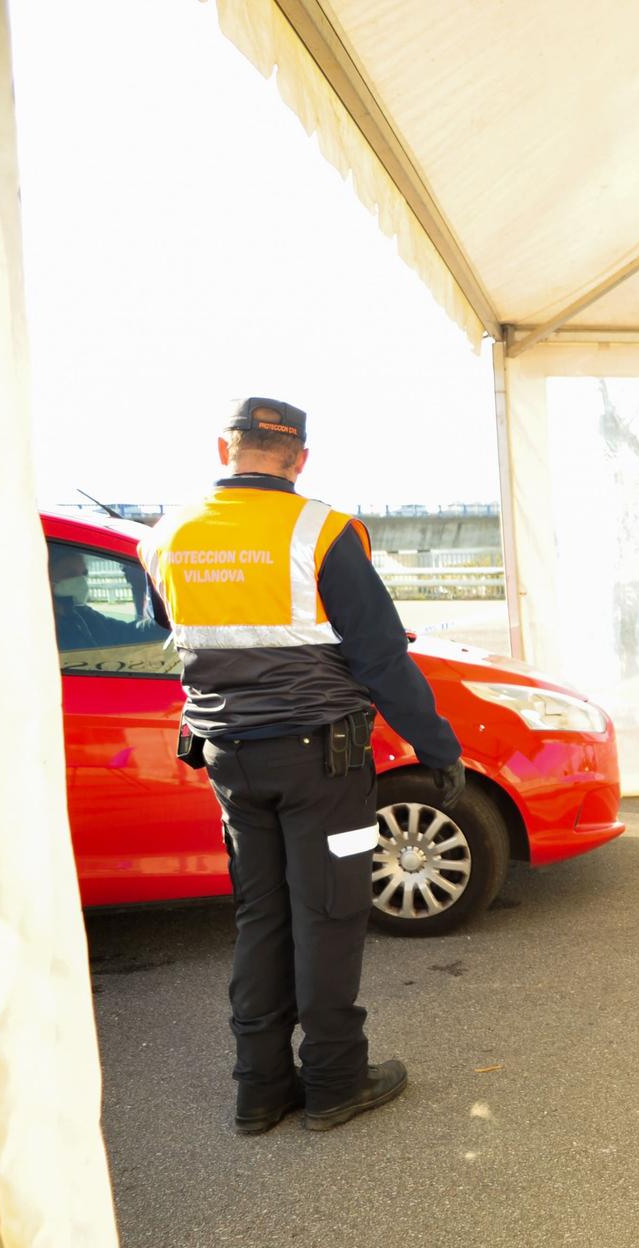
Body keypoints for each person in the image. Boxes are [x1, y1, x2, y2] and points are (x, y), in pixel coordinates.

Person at [141, 397, 469, 1134]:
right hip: (324, 764)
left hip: (230, 761)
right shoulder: (323, 531)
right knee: (328, 911)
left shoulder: (164, 538)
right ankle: (333, 1079)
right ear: (300, 459)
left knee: (261, 915)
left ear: (225, 449)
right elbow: (381, 655)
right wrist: (438, 747)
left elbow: (187, 628)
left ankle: (258, 1089)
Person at [46, 544, 148, 649]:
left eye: (84, 574)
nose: (81, 581)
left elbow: (128, 633)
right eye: (70, 574)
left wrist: (162, 624)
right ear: (46, 578)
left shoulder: (82, 616)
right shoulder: (39, 628)